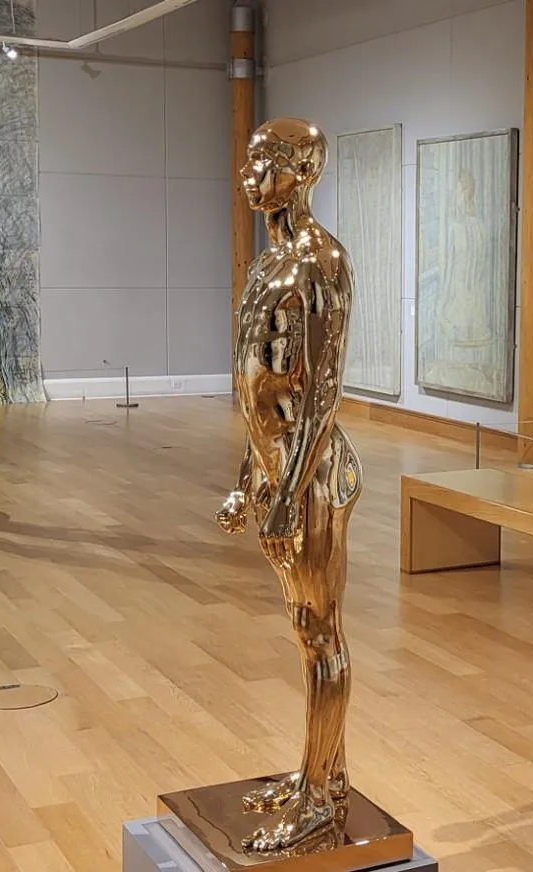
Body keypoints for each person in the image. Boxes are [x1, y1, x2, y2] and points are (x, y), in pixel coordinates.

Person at [216, 117, 363, 853]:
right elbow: (260, 393)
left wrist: (285, 496)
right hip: (278, 477)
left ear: (302, 171)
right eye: (250, 160)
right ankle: (322, 775)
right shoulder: (265, 265)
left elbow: (321, 394)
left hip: (313, 479)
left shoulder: (320, 262)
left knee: (319, 632)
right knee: (304, 632)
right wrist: (249, 480)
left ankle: (318, 801)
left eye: (266, 161)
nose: (251, 175)